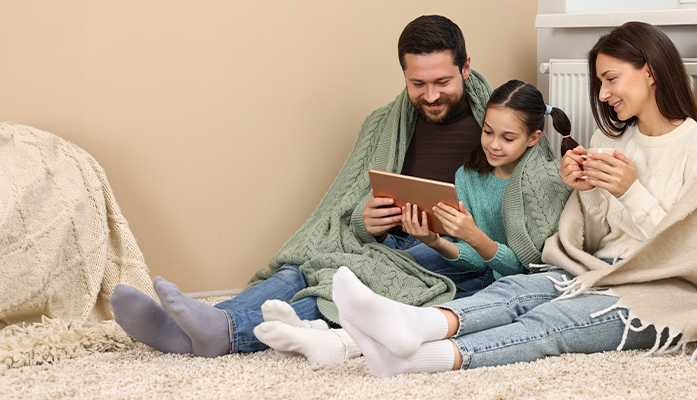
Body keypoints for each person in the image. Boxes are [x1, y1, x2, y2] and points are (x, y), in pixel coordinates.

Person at [330, 21, 697, 377]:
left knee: (554, 321)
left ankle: (418, 358)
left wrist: (629, 190)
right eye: (600, 82)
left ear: (651, 72)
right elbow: (593, 238)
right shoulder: (614, 141)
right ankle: (416, 326)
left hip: (665, 289)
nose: (604, 93)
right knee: (518, 291)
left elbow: (696, 255)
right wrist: (588, 193)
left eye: (611, 79)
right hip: (601, 267)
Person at [109, 15, 568, 359]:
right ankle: (200, 324)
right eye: (418, 83)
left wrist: (445, 236)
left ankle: (226, 332)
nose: (430, 95)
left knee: (347, 282)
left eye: (442, 82)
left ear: (466, 67)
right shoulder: (383, 125)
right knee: (307, 266)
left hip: (447, 252)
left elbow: (526, 219)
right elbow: (346, 206)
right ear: (404, 76)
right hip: (392, 239)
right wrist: (368, 222)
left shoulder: (499, 122)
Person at [254, 80, 573, 363]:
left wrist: (475, 236)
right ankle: (309, 325)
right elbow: (476, 262)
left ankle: (332, 338)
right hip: (475, 270)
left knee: (423, 299)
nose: (493, 144)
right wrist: (435, 240)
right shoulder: (468, 176)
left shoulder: (544, 182)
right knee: (389, 268)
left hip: (504, 285)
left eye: (508, 137)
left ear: (533, 138)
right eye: (488, 131)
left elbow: (527, 270)